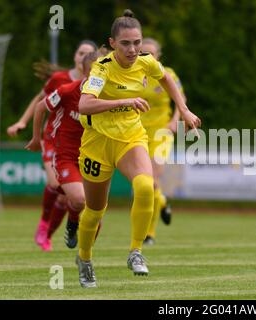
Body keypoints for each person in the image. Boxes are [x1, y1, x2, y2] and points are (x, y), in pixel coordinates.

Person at [76, 9, 201, 288]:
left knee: (146, 186)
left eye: (137, 43)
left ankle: (136, 251)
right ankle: (84, 259)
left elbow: (167, 80)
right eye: (125, 43)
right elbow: (84, 104)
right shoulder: (102, 68)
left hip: (131, 138)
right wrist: (124, 102)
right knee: (95, 211)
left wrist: (184, 110)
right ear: (112, 43)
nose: (133, 49)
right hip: (97, 144)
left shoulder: (146, 62)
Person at [6, 40, 97, 251]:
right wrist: (23, 123)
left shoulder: (100, 88)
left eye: (89, 53)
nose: (84, 55)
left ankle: (54, 233)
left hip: (81, 148)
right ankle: (44, 223)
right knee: (57, 185)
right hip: (53, 140)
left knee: (70, 199)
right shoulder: (61, 81)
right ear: (77, 57)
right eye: (81, 52)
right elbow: (40, 101)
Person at [26, 50, 104, 249]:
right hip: (66, 155)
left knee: (94, 213)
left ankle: (81, 248)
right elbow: (40, 107)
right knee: (78, 198)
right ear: (85, 73)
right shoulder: (68, 90)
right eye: (96, 72)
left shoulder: (109, 96)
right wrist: (36, 138)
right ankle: (49, 226)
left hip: (92, 157)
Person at [140, 38, 184, 245]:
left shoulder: (168, 74)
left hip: (162, 133)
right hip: (137, 133)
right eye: (143, 53)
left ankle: (150, 233)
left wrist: (175, 121)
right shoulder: (134, 75)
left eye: (151, 54)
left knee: (152, 179)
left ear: (158, 56)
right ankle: (163, 201)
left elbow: (180, 100)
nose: (146, 57)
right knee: (147, 184)